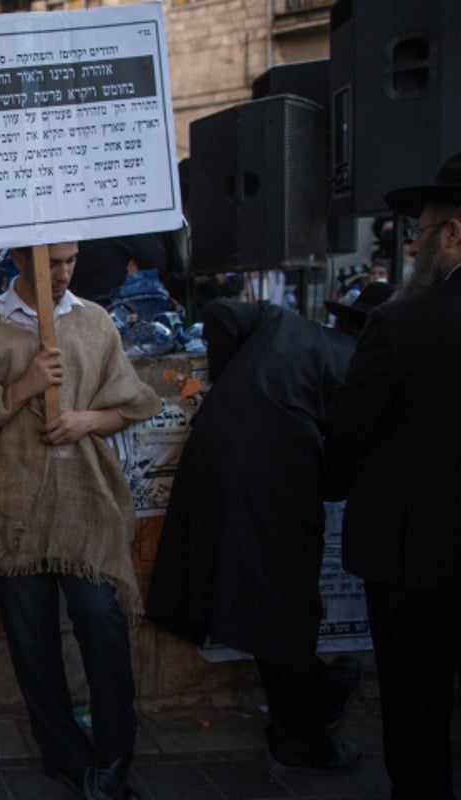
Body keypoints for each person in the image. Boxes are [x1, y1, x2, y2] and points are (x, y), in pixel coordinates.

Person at [0, 241, 161, 800]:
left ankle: (115, 753)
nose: (61, 273)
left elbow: (133, 404)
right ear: (18, 258)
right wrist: (23, 387)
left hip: (83, 501)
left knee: (99, 618)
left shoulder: (93, 321)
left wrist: (86, 418)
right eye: (50, 261)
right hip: (8, 508)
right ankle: (63, 753)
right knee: (31, 639)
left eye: (70, 261)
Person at [146, 292, 392, 773]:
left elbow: (218, 312)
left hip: (212, 453)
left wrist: (231, 380)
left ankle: (321, 690)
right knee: (285, 606)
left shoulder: (280, 320)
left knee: (253, 594)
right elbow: (344, 463)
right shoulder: (360, 370)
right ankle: (299, 738)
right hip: (277, 473)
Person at [326, 152, 461, 800]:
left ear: (455, 235)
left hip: (418, 561)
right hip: (419, 556)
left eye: (423, 234)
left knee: (417, 715)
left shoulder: (405, 323)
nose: (413, 250)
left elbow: (349, 429)